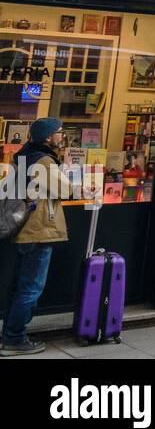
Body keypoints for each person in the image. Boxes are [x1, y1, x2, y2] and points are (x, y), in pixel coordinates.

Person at [1, 117, 72, 356]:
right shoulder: (42, 161)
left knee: (20, 286)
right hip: (38, 228)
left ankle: (10, 334)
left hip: (23, 230)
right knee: (31, 288)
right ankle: (15, 338)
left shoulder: (25, 155)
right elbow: (65, 189)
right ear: (48, 137)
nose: (63, 136)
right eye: (60, 132)